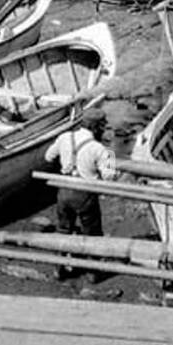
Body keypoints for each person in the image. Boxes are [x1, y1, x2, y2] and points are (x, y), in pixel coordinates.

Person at [43, 107, 118, 278]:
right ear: (97, 128)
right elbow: (109, 177)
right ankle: (92, 272)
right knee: (92, 234)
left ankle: (59, 268)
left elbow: (48, 157)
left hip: (63, 191)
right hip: (85, 194)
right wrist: (111, 154)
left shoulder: (64, 137)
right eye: (102, 127)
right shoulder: (98, 148)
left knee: (63, 230)